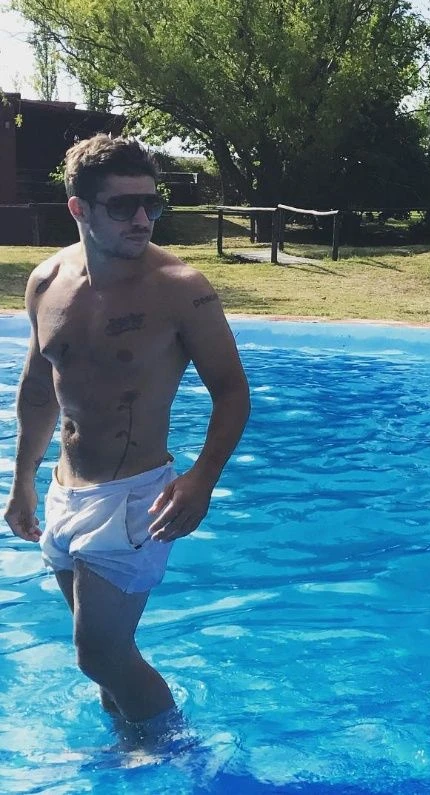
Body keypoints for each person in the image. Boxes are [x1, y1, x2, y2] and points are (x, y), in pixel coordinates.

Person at [2, 134, 251, 728]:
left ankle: (177, 753)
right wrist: (22, 480)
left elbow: (232, 391)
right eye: (123, 206)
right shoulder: (46, 281)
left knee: (99, 653)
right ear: (79, 208)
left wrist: (201, 479)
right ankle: (128, 748)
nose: (142, 219)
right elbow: (38, 389)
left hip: (136, 497)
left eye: (151, 203)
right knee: (105, 660)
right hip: (66, 492)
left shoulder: (181, 289)